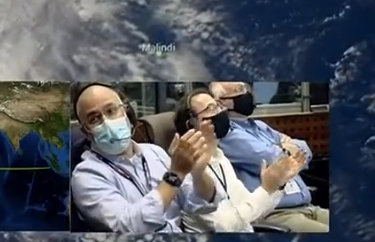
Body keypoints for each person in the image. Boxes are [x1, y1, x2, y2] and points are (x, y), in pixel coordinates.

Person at [70, 83, 225, 233]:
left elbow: (200, 205)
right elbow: (129, 227)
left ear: (127, 112)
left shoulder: (154, 152)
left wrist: (198, 173)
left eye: (111, 111)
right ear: (86, 132)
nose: (107, 122)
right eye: (94, 119)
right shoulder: (86, 175)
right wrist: (175, 174)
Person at [174, 88, 304, 232]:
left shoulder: (219, 156)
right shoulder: (187, 170)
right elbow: (225, 227)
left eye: (218, 105)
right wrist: (266, 189)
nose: (220, 112)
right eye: (210, 108)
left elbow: (252, 211)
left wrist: (276, 185)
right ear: (191, 124)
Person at [209, 82, 330, 232]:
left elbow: (304, 150)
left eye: (245, 89)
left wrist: (286, 150)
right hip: (276, 214)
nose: (246, 94)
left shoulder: (260, 126)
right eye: (238, 90)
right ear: (221, 102)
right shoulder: (227, 135)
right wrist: (284, 147)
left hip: (308, 207)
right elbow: (276, 161)